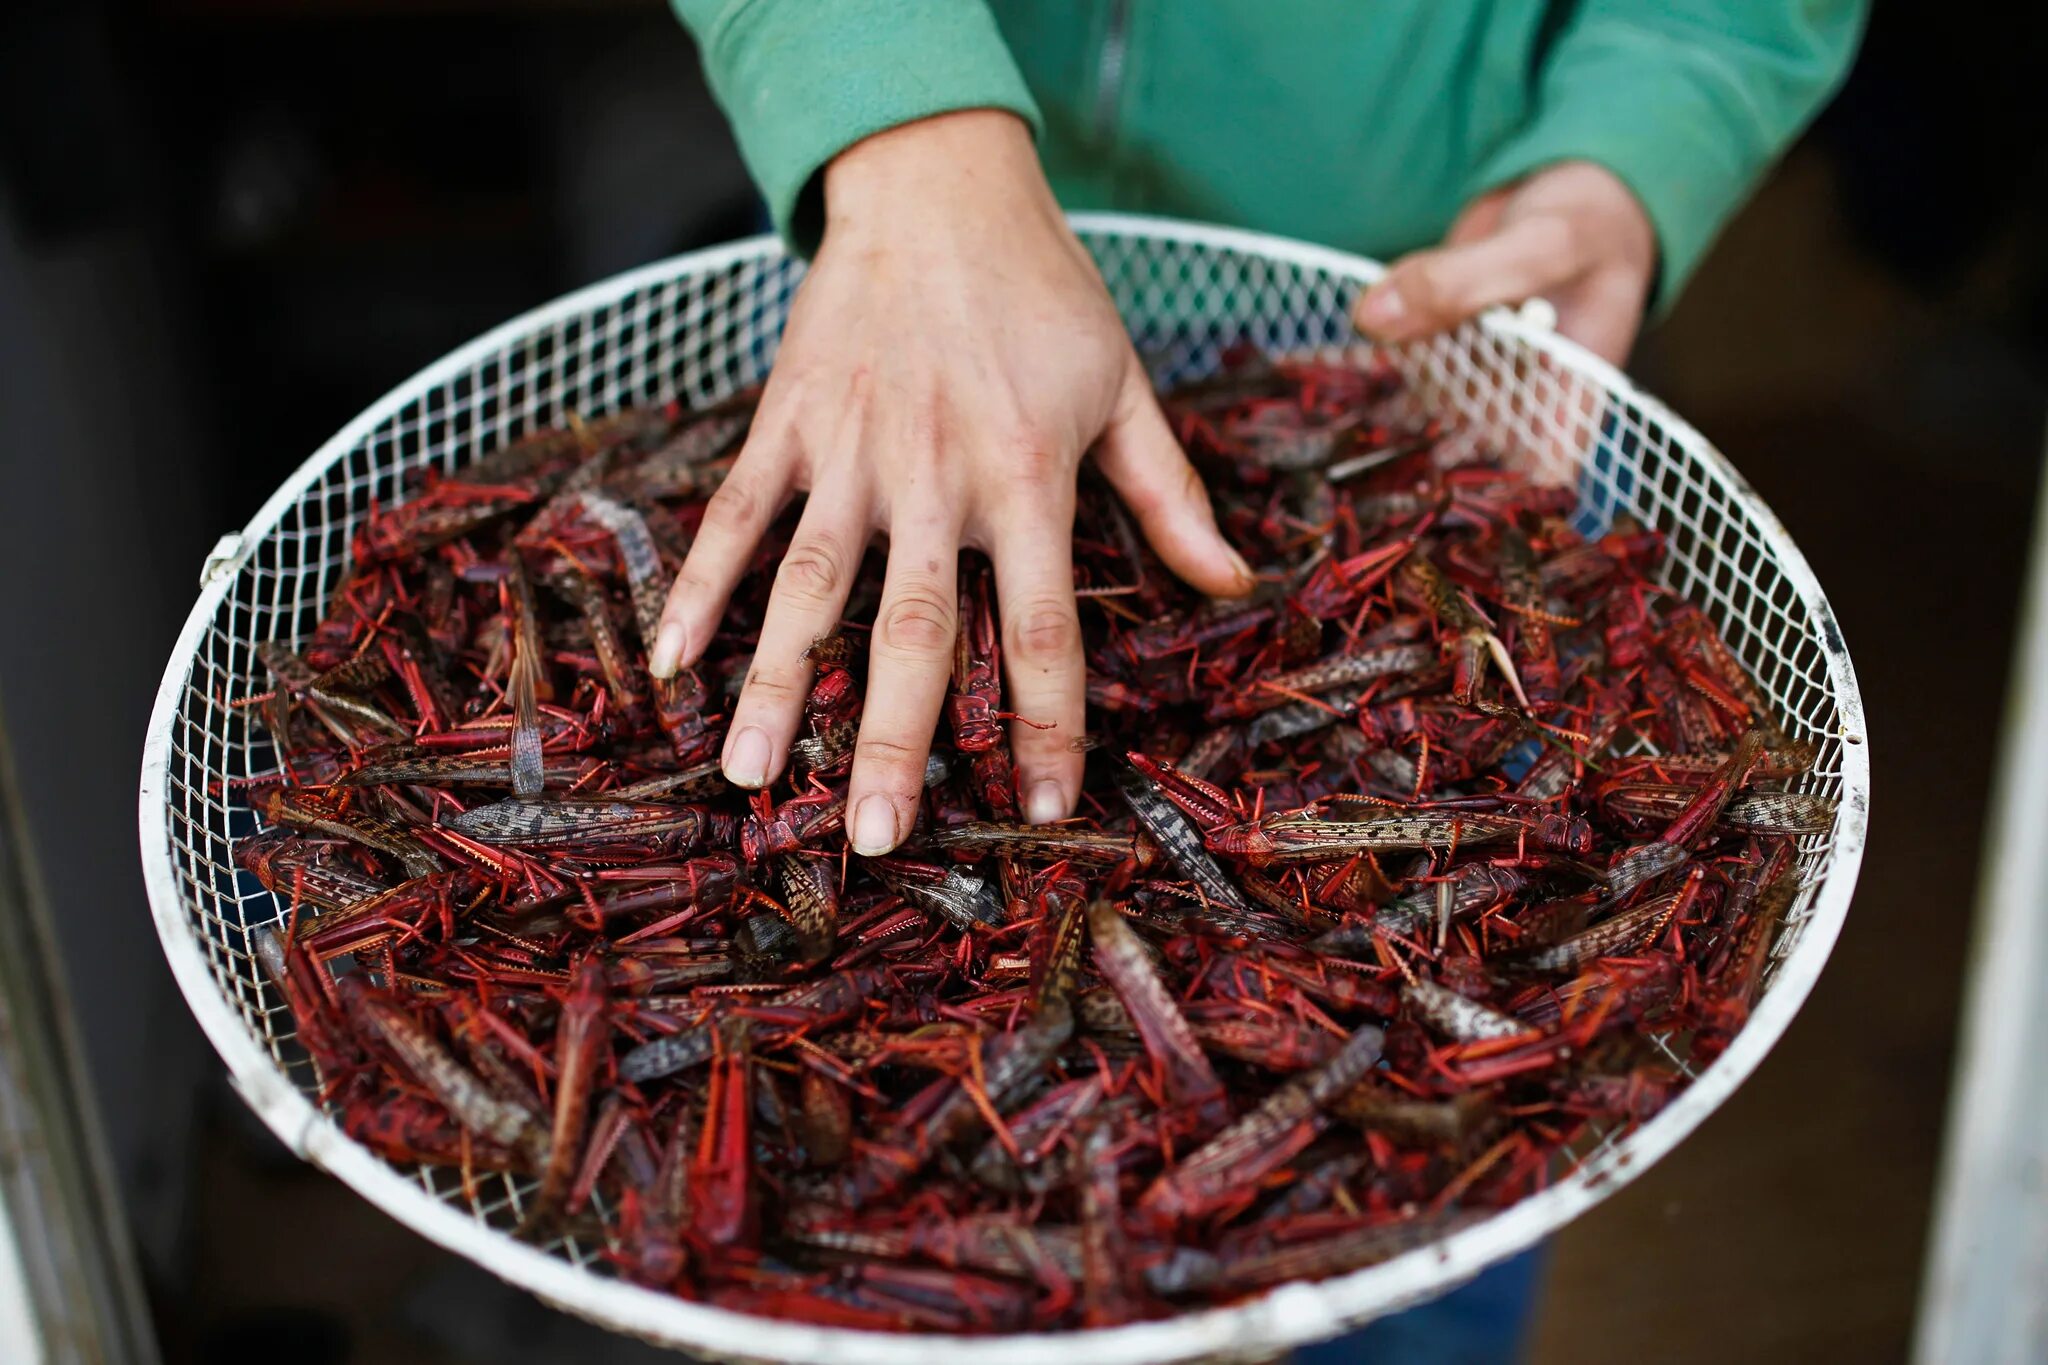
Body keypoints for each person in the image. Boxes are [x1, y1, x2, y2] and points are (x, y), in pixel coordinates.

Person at [650, 1, 1863, 869]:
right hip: (892, 269)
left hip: (1423, 337)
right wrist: (895, 118)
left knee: (1539, 784)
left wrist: (1641, 129)